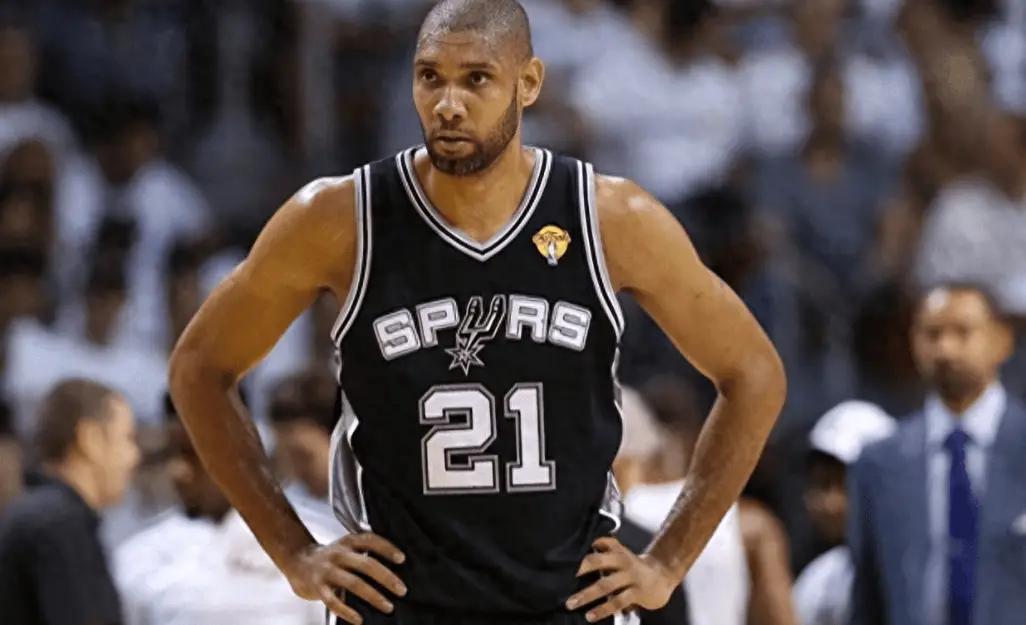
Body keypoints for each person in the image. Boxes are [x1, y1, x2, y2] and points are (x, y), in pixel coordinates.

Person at [168, 2, 787, 624]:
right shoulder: (339, 219)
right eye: (429, 77)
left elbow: (754, 373)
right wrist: (294, 551)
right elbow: (199, 368)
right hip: (398, 610)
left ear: (529, 83)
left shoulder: (609, 218)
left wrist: (668, 562)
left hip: (568, 607)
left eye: (476, 79)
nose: (447, 104)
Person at [849, 284, 1026, 625]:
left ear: (1002, 341)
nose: (945, 349)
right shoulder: (880, 463)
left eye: (962, 332)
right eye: (932, 334)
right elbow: (868, 597)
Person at [114, 392, 331, 625]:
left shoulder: (310, 546)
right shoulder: (138, 558)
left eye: (193, 454)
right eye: (171, 454)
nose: (178, 471)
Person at [0, 378, 140, 625]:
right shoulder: (59, 523)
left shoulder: (44, 514)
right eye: (127, 438)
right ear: (90, 439)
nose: (134, 456)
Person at [791, 400, 894, 625]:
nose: (827, 502)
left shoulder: (925, 566)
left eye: (841, 484)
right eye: (819, 484)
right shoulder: (819, 580)